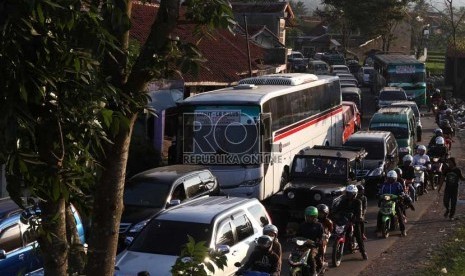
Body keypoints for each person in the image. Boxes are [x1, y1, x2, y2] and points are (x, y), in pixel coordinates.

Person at [331, 185, 368, 260]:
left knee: (358, 236)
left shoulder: (358, 202)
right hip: (344, 219)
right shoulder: (344, 201)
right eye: (348, 193)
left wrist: (359, 218)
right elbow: (338, 209)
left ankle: (363, 252)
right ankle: (342, 245)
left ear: (355, 194)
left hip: (354, 220)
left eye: (351, 193)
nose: (349, 195)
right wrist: (334, 213)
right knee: (337, 232)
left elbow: (359, 212)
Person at [378, 170, 407, 236]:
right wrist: (379, 195)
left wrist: (401, 195)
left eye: (392, 179)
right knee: (379, 214)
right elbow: (380, 192)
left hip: (395, 202)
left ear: (395, 178)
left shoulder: (398, 184)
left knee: (399, 215)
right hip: (385, 202)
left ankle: (403, 230)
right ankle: (379, 228)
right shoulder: (384, 185)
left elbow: (401, 192)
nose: (390, 180)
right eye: (389, 179)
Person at [297, 206, 325, 275]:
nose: (309, 218)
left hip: (313, 246)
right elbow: (298, 235)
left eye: (311, 216)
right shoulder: (302, 225)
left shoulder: (319, 226)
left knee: (310, 257)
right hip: (302, 246)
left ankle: (313, 272)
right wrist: (293, 238)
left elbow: (321, 237)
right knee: (294, 255)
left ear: (315, 217)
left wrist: (317, 242)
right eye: (307, 216)